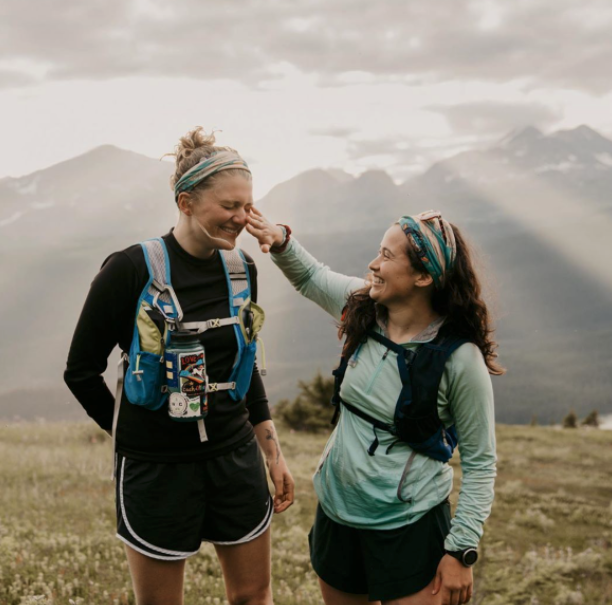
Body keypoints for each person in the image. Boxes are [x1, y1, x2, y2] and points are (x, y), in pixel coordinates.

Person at [64, 127, 294, 605]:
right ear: (186, 202)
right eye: (229, 206)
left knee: (254, 597)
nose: (241, 218)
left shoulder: (242, 270)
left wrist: (271, 451)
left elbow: (246, 364)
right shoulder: (129, 270)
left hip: (234, 459)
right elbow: (81, 370)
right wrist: (129, 435)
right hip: (157, 470)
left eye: (247, 205)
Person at [246, 208, 500, 605]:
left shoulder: (459, 359)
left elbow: (481, 463)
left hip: (410, 526)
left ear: (423, 276)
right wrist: (281, 240)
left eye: (386, 255)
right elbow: (312, 278)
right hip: (337, 514)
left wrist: (460, 550)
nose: (373, 264)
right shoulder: (363, 309)